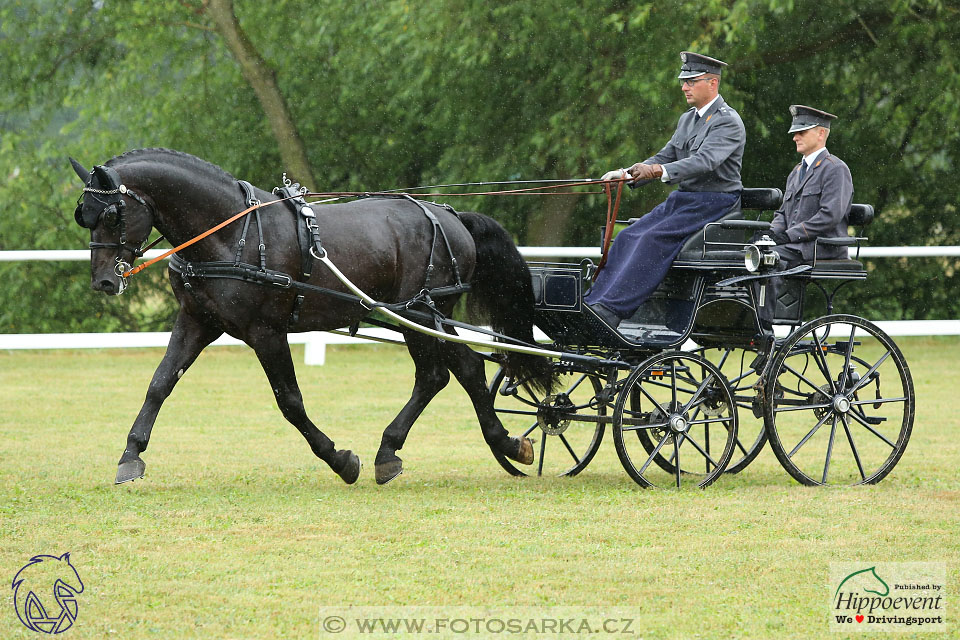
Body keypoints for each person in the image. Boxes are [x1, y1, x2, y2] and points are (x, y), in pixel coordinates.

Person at [585, 52, 746, 327]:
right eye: (684, 81)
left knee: (651, 239)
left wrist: (658, 171)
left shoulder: (727, 121)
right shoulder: (688, 119)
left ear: (713, 83)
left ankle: (612, 310)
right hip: (685, 199)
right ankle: (593, 302)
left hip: (715, 202)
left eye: (691, 81)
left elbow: (705, 161)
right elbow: (666, 155)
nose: (684, 86)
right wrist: (625, 174)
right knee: (628, 236)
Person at [757, 105, 854, 328]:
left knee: (770, 260)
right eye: (795, 133)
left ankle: (764, 326)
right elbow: (783, 212)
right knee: (753, 254)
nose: (795, 138)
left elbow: (830, 216)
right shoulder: (796, 172)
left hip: (823, 246)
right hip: (797, 246)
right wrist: (771, 235)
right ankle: (749, 320)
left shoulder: (835, 169)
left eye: (802, 132)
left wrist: (789, 236)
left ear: (821, 133)